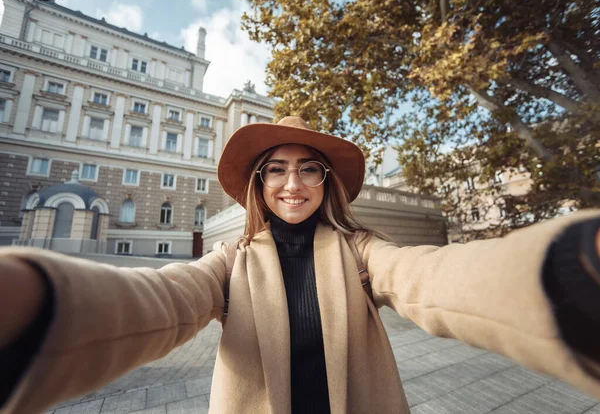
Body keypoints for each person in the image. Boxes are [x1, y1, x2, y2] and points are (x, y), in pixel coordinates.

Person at [1, 116, 600, 414]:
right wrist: (33, 299)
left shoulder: (361, 250)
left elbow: (432, 279)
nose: (293, 183)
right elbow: (160, 302)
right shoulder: (228, 260)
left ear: (325, 180)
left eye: (308, 167)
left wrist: (570, 271)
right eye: (277, 169)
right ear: (259, 186)